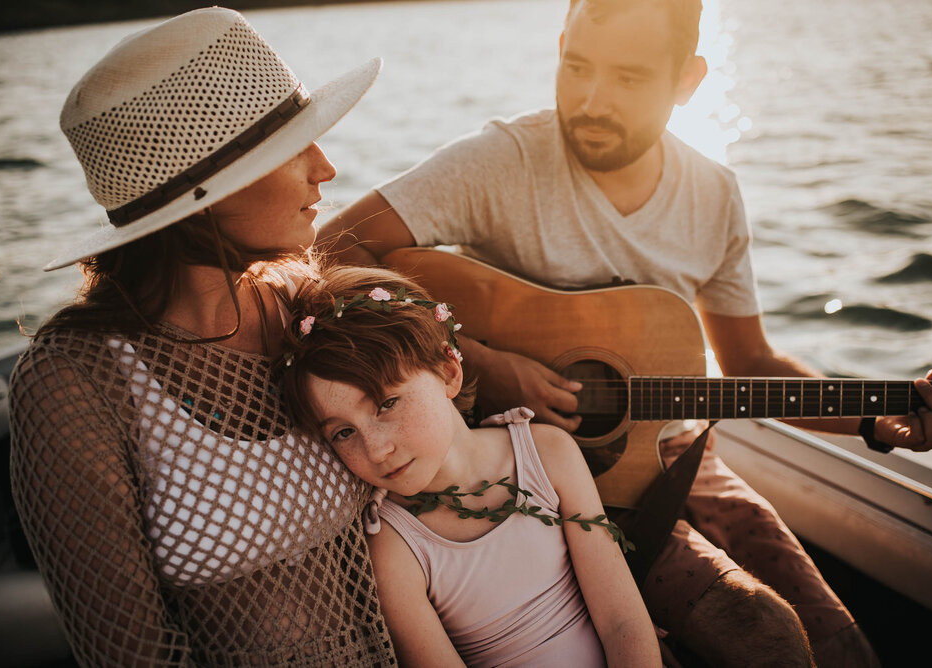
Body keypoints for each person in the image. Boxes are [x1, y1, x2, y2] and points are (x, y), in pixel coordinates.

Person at [315, 0, 932, 666]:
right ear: (560, 45)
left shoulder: (712, 195)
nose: (592, 100)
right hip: (543, 476)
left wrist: (872, 420)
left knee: (842, 648)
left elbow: (747, 363)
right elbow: (328, 250)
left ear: (687, 81)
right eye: (577, 67)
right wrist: (482, 360)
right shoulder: (502, 161)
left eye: (628, 78)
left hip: (680, 458)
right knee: (765, 636)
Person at [8, 8, 397, 666]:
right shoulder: (75, 387)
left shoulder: (302, 307)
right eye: (290, 147)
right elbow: (131, 654)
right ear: (206, 194)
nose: (325, 168)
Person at [276, 263, 662, 667]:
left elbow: (622, 621)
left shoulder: (547, 453)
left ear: (448, 372)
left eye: (386, 404)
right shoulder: (394, 546)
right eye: (342, 433)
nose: (375, 450)